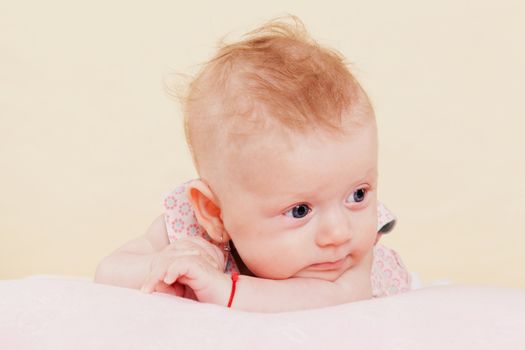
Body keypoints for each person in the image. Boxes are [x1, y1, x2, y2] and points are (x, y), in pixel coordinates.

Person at [95, 16, 411, 312]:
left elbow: (337, 299)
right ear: (214, 213)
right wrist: (163, 265)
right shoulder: (194, 228)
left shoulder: (350, 260)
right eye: (300, 210)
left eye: (358, 194)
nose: (339, 232)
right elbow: (107, 272)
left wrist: (225, 290)